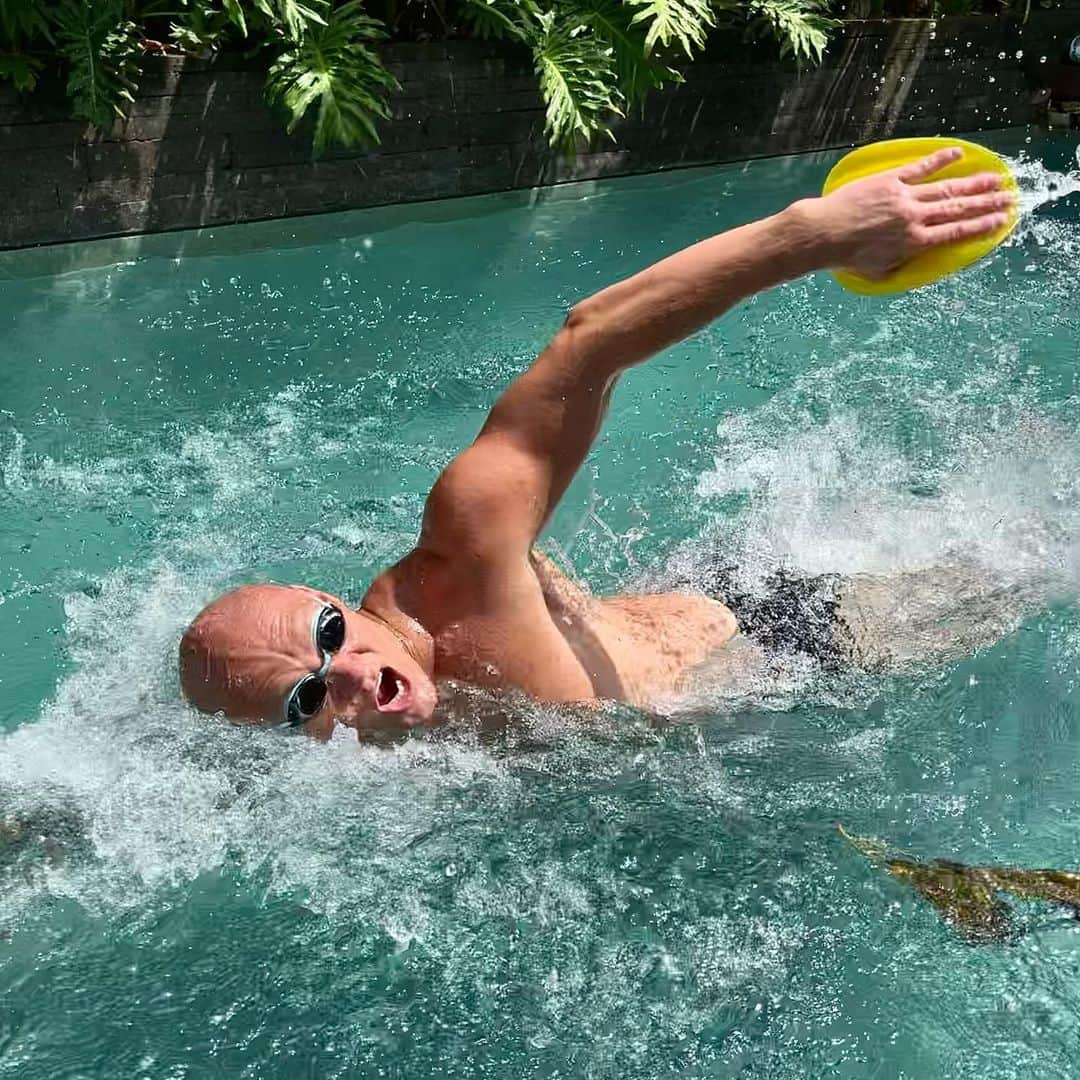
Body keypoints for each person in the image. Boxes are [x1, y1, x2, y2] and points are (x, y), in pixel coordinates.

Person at [179, 147, 1016, 737]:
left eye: (329, 637)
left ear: (332, 598)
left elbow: (588, 346)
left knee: (1033, 566)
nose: (355, 676)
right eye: (305, 701)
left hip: (795, 642)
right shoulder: (365, 756)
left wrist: (818, 233)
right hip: (665, 653)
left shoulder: (463, 559)